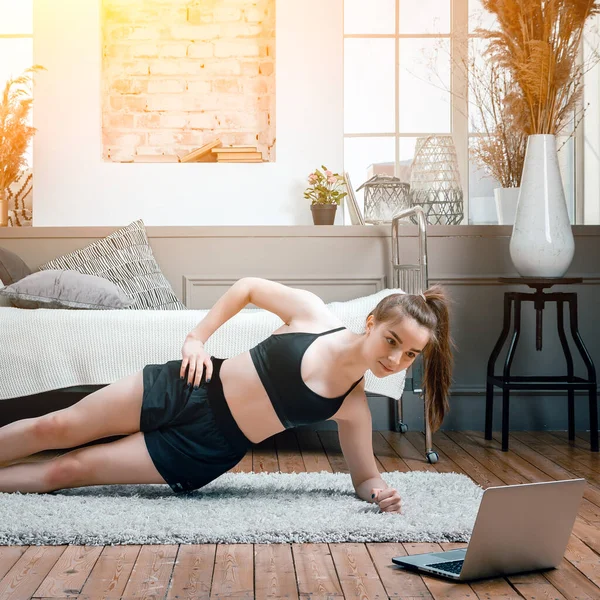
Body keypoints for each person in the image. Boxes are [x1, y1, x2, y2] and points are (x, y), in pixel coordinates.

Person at [0, 278, 453, 513]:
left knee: (67, 469)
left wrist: (380, 494)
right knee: (54, 426)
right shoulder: (313, 315)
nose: (396, 361)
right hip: (190, 384)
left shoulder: (352, 407)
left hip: (203, 449)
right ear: (372, 322)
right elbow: (249, 287)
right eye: (392, 341)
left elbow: (364, 477)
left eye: (410, 354)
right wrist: (197, 339)